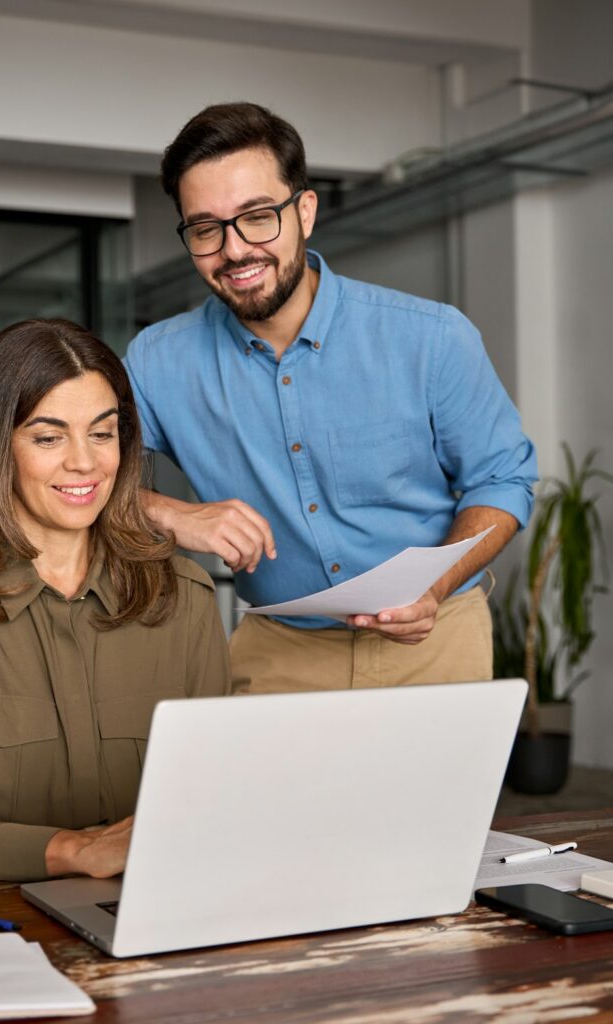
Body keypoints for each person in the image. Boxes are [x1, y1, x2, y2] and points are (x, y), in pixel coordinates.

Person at [125, 102, 538, 694]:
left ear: (305, 212)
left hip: (434, 638)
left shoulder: (432, 337)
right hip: (278, 649)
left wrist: (436, 585)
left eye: (258, 215)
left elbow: (502, 480)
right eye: (205, 228)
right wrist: (171, 513)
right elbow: (72, 476)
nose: (235, 250)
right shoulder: (156, 361)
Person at [0, 319, 230, 881]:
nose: (85, 463)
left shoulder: (183, 596)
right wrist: (74, 851)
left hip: (158, 912)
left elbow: (223, 800)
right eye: (48, 437)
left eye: (101, 432)